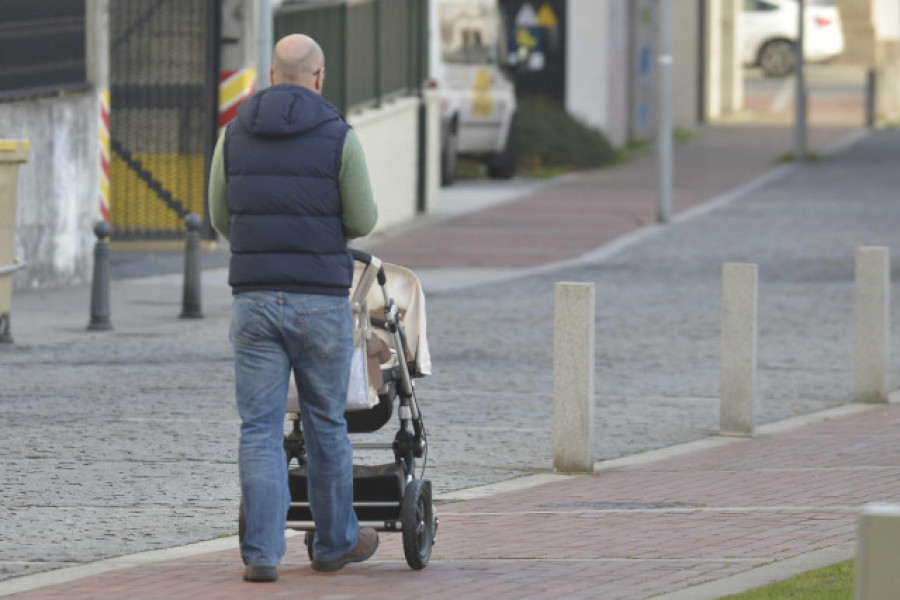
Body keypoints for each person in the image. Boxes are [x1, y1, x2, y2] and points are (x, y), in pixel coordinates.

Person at [208, 33, 379, 582]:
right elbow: (362, 219)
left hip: (254, 299)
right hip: (319, 302)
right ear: (319, 76)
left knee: (258, 427)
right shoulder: (338, 137)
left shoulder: (233, 135)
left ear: (272, 74)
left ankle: (261, 554)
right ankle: (333, 544)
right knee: (326, 423)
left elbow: (219, 216)